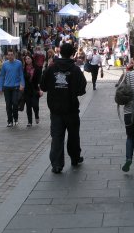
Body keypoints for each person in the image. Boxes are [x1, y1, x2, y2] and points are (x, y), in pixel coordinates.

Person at [40, 42, 87, 174]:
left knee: (57, 137)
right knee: (73, 135)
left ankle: (57, 164)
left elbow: (43, 86)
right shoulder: (75, 70)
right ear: (72, 53)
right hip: (71, 108)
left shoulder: (51, 68)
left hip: (55, 109)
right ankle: (75, 157)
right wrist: (72, 92)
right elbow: (82, 88)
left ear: (60, 52)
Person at [0, 50, 25, 127]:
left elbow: (21, 75)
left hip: (15, 86)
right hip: (7, 87)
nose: (10, 56)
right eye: (9, 55)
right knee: (8, 104)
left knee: (15, 103)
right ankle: (10, 121)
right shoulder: (4, 64)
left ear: (14, 55)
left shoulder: (18, 63)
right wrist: (0, 87)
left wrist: (22, 84)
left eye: (11, 55)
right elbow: (2, 76)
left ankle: (16, 118)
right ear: (7, 56)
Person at [22, 55, 43, 126]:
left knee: (35, 105)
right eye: (26, 59)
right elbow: (22, 79)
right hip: (27, 90)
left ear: (32, 59)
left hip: (35, 89)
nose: (27, 60)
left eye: (28, 58)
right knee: (28, 106)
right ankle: (29, 122)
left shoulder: (37, 68)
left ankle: (36, 115)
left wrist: (40, 89)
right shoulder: (24, 69)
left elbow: (40, 80)